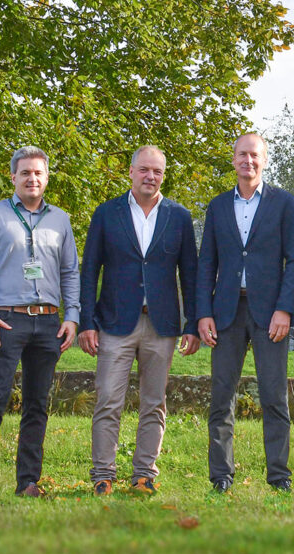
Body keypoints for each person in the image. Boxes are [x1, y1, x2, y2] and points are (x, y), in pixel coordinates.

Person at [78, 145, 200, 496]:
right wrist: (87, 321)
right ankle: (103, 474)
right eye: (144, 170)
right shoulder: (107, 213)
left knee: (154, 403)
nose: (150, 177)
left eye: (157, 172)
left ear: (163, 175)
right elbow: (89, 271)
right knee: (108, 400)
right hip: (115, 322)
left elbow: (189, 274)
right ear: (130, 171)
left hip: (161, 325)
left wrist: (191, 324)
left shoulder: (178, 217)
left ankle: (145, 473)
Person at [0, 146, 80, 499]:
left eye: (39, 173)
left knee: (37, 404)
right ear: (13, 177)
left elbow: (70, 271)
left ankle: (28, 481)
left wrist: (72, 316)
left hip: (48, 324)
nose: (32, 179)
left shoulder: (60, 219)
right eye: (26, 173)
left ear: (47, 178)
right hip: (5, 322)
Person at [197, 133, 294, 493]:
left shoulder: (284, 204)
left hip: (270, 313)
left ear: (265, 160)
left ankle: (278, 476)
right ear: (234, 160)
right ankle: (221, 477)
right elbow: (206, 263)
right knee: (221, 397)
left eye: (254, 155)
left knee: (274, 397)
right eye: (242, 155)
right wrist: (203, 313)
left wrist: (284, 309)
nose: (248, 161)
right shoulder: (217, 207)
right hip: (225, 312)